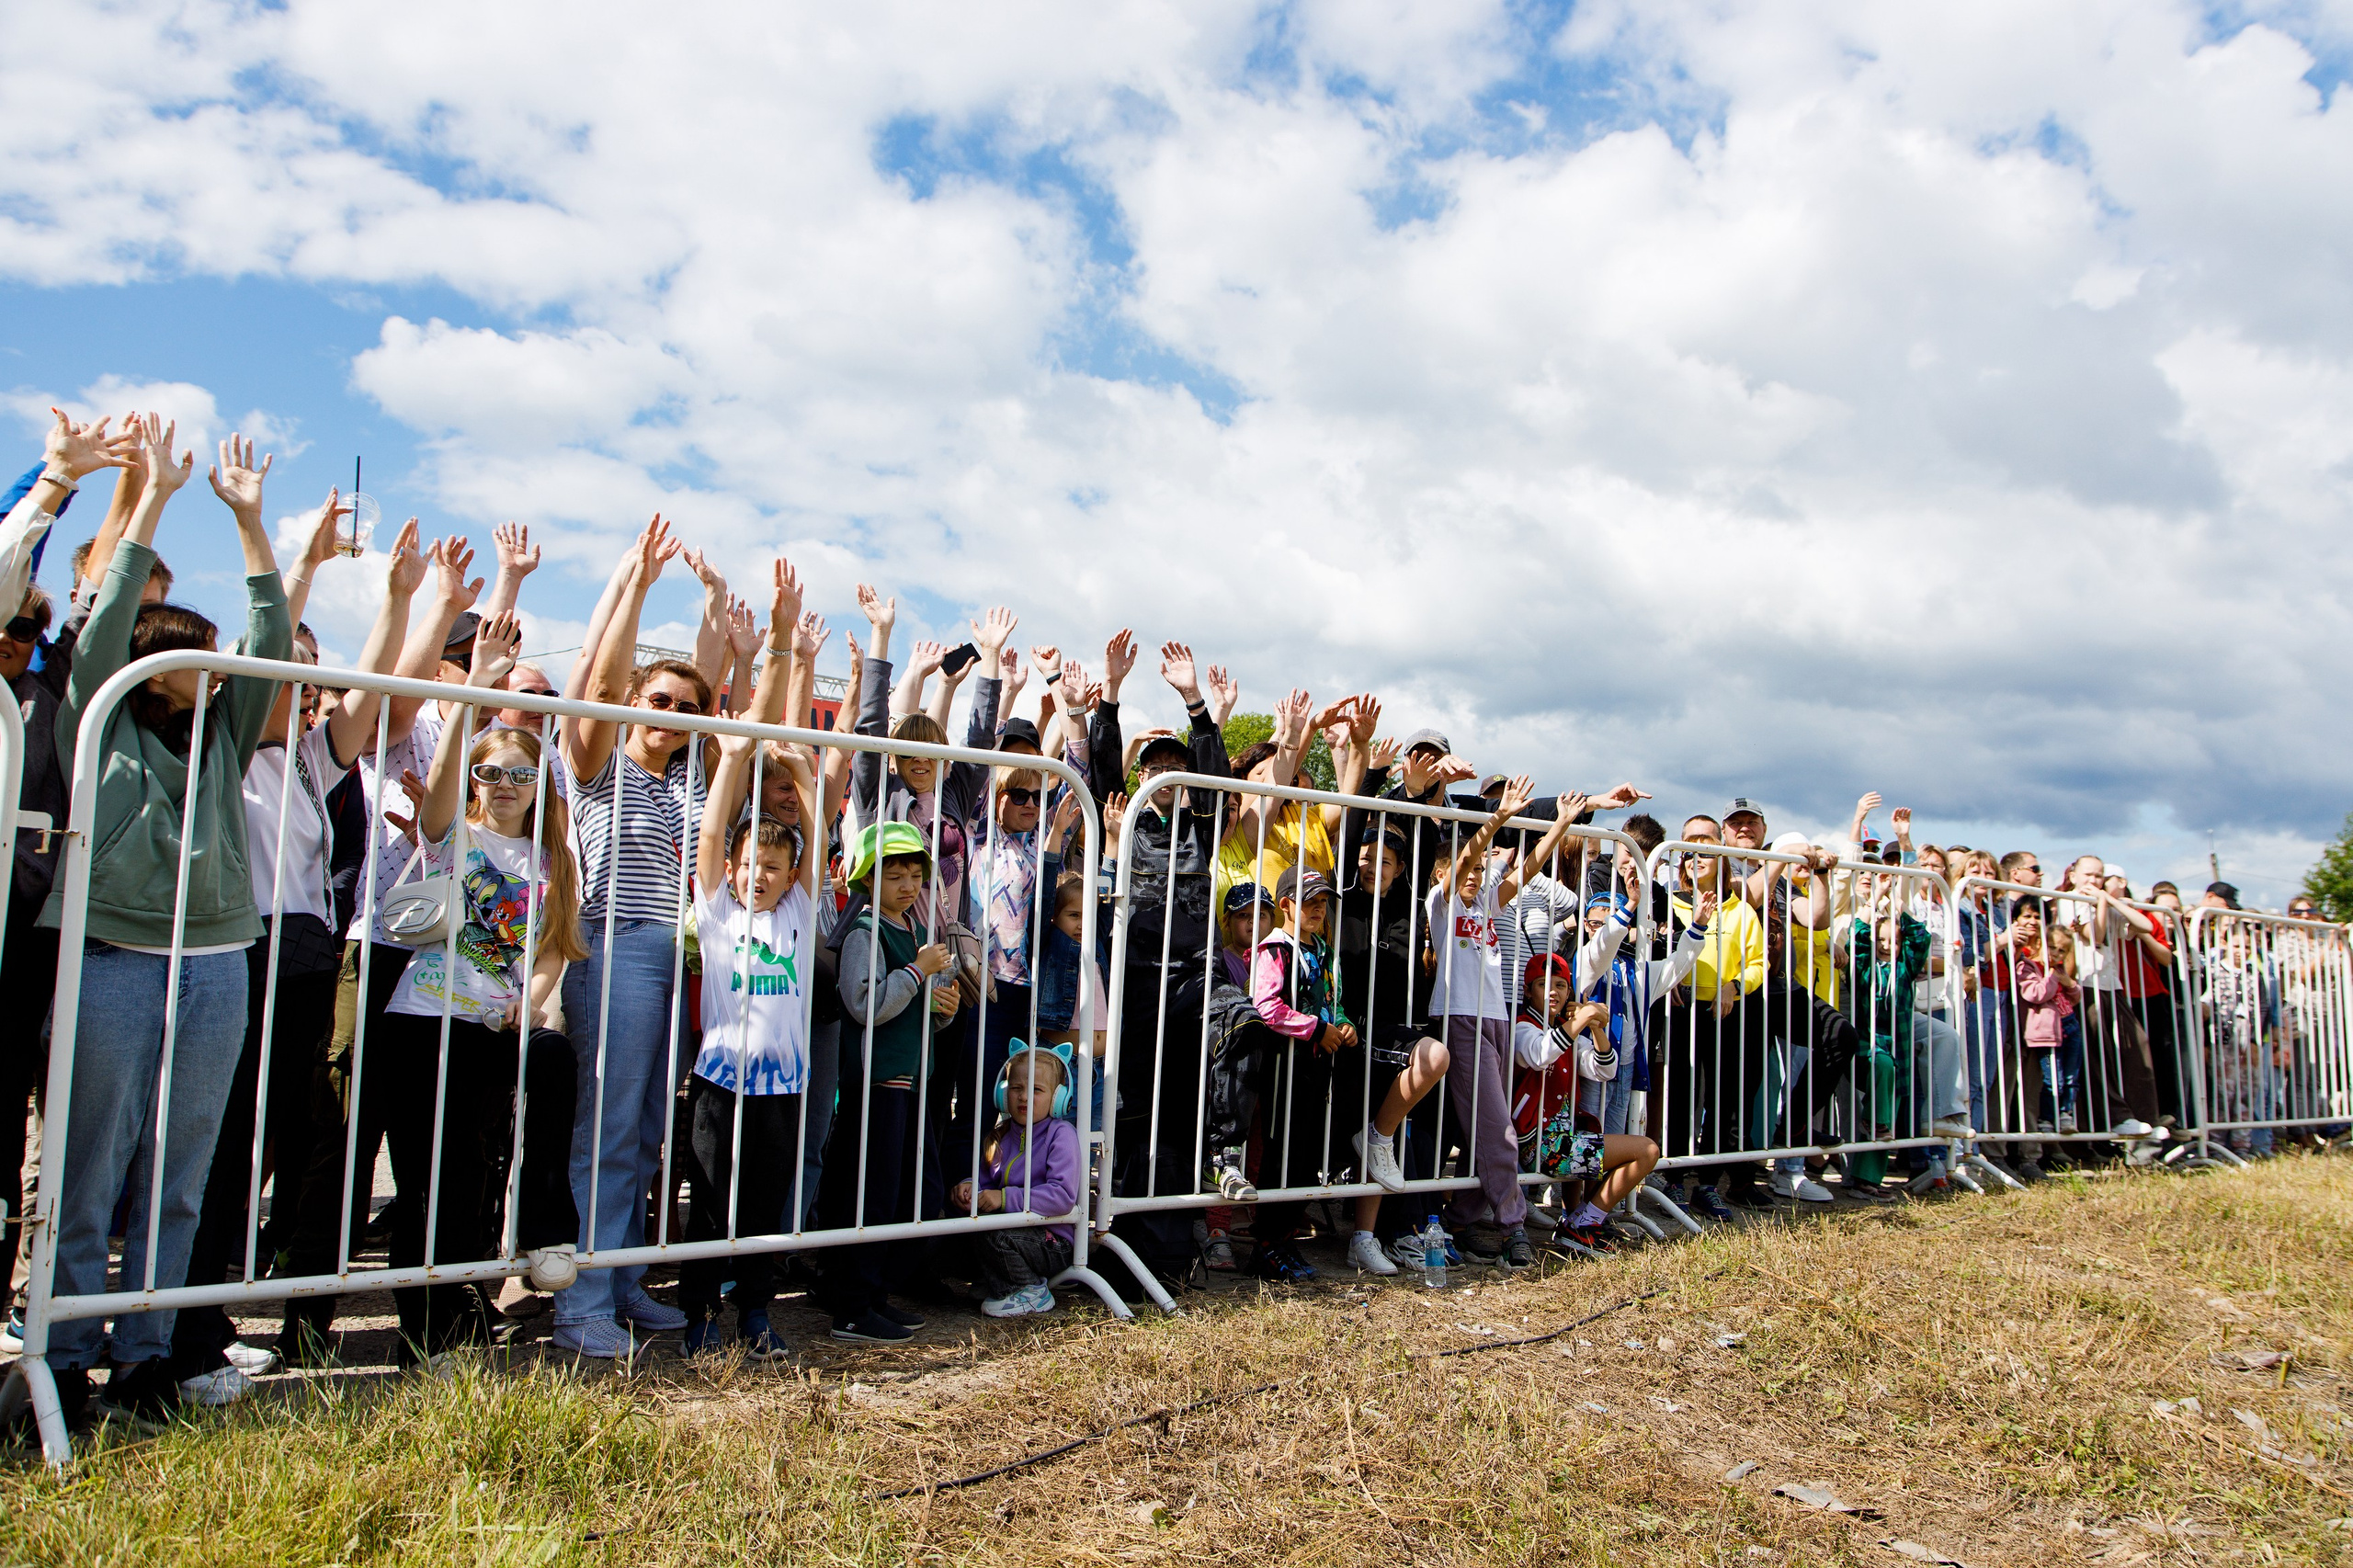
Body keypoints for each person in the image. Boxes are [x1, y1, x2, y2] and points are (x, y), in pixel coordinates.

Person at [39, 415, 293, 1426]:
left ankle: (145, 1355)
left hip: (217, 956)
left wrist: (249, 524)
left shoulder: (223, 732)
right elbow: (101, 626)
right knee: (91, 1160)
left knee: (180, 1167)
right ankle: (63, 1357)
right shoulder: (99, 712)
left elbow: (272, 644)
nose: (224, 661)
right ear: (154, 660)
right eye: (204, 651)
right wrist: (151, 496)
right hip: (111, 954)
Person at [169, 509, 419, 1395]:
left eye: (310, 683)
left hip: (306, 960)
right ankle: (182, 1329)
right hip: (237, 952)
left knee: (272, 1142)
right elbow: (263, 641)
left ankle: (212, 1318)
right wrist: (297, 559)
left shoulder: (312, 762)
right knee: (218, 1140)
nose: (303, 693)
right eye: (289, 678)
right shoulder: (223, 752)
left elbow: (377, 682)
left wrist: (397, 597)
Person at [355, 613, 585, 1363]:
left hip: (495, 1027)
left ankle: (545, 1225)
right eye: (493, 773)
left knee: (545, 1069)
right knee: (435, 1181)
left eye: (523, 773)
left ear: (540, 783)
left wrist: (535, 997)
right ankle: (426, 1335)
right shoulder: (449, 832)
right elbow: (448, 772)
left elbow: (554, 952)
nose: (508, 785)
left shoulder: (550, 859)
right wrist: (477, 687)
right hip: (423, 1024)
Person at [551, 514, 722, 1358]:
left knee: (650, 1131)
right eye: (658, 701)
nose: (673, 713)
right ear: (631, 705)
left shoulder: (687, 782)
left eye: (686, 708)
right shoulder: (594, 764)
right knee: (609, 1127)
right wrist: (638, 587)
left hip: (673, 957)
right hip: (612, 946)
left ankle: (620, 1280)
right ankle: (581, 1301)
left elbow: (707, 683)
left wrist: (719, 615)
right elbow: (602, 679)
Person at [679, 716, 819, 1361]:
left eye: (771, 866)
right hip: (718, 1083)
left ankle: (755, 1313)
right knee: (708, 1201)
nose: (757, 876)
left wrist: (805, 778)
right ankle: (699, 1313)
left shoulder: (795, 908)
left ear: (792, 877)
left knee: (765, 1202)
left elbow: (814, 843)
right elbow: (710, 835)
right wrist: (733, 757)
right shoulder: (718, 914)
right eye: (747, 865)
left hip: (783, 1087)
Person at [1426, 777, 1586, 1268]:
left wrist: (1560, 823)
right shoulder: (1441, 903)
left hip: (1496, 1017)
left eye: (1480, 867)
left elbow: (1530, 867)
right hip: (1461, 1019)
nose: (1474, 874)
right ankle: (1513, 1224)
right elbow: (1460, 874)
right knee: (1498, 1130)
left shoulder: (1488, 905)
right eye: (1465, 865)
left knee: (1496, 1128)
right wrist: (1496, 819)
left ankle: (1457, 1219)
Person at [816, 820, 958, 1343]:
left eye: (914, 874)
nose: (906, 884)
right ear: (866, 880)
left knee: (910, 1194)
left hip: (911, 1081)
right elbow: (865, 1003)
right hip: (875, 1085)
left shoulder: (916, 934)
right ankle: (851, 1305)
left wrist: (942, 1007)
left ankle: (872, 1293)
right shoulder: (865, 932)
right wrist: (919, 975)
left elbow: (923, 1009)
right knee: (870, 1197)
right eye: (892, 874)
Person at [948, 1043, 1081, 1318]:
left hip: (1053, 1241)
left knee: (994, 1237)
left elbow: (1062, 1196)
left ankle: (1027, 1289)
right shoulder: (1001, 1134)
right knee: (945, 1242)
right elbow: (985, 1183)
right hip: (1012, 1231)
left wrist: (1005, 1198)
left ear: (1058, 1099)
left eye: (1036, 1090)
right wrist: (970, 1188)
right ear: (1002, 1093)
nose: (1024, 1097)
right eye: (1016, 1088)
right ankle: (996, 1281)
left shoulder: (1061, 1134)